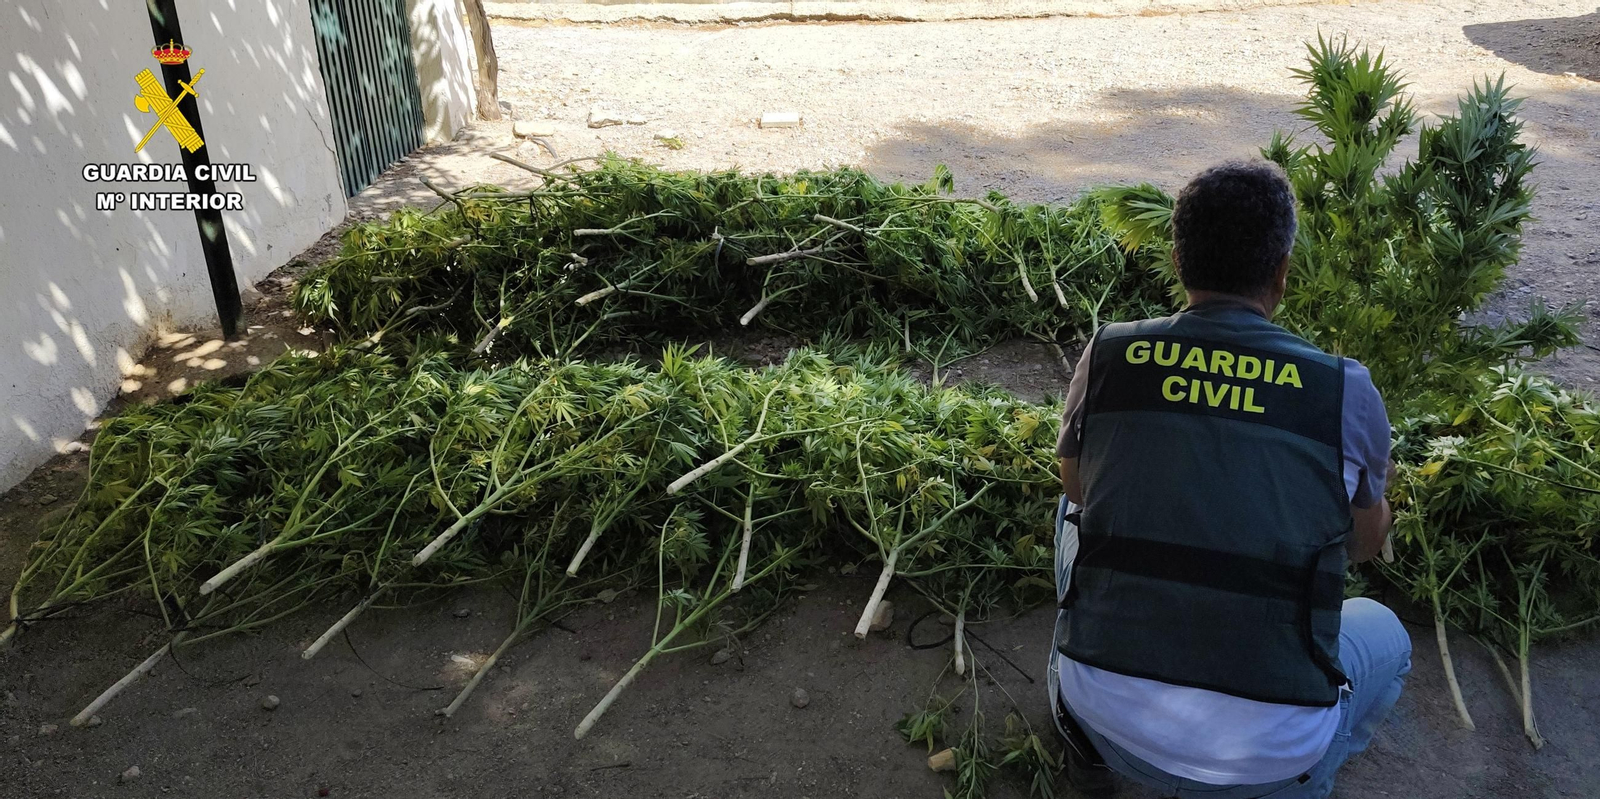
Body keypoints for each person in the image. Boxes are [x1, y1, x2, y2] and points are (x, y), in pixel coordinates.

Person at [1046, 160, 1411, 799]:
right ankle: (1299, 784)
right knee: (1387, 635)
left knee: (1069, 511)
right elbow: (1362, 544)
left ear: (1178, 258)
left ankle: (1082, 744)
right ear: (1281, 272)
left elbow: (1077, 487)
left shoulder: (1110, 351)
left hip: (1105, 708)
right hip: (1268, 753)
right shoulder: (1343, 388)